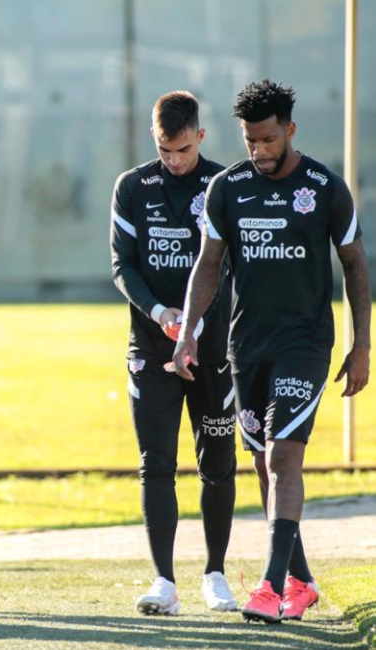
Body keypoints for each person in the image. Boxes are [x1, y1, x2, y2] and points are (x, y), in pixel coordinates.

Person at [173, 79, 370, 624]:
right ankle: (301, 582)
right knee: (263, 464)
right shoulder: (228, 188)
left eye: (266, 139)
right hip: (247, 345)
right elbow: (208, 265)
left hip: (305, 343)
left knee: (285, 456)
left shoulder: (325, 188)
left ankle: (269, 586)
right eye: (249, 140)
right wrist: (188, 332)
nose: (257, 150)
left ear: (290, 130)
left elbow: (354, 265)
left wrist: (362, 345)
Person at [110, 91, 237, 615]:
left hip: (215, 347)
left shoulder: (225, 186)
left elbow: (229, 265)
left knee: (219, 464)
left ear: (201, 137)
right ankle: (164, 581)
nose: (175, 160)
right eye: (165, 150)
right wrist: (162, 313)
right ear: (153, 139)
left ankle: (216, 574)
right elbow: (123, 265)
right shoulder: (132, 187)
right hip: (151, 346)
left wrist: (200, 319)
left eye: (183, 149)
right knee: (155, 463)